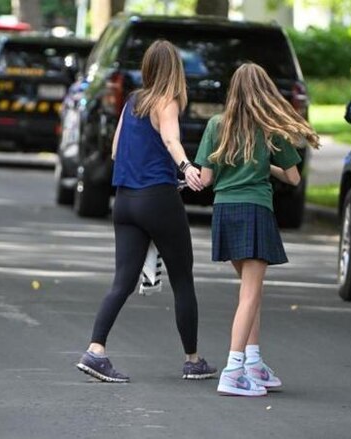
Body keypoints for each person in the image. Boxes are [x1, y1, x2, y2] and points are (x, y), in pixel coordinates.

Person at [75, 40, 216, 383]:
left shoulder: (132, 102)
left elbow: (115, 150)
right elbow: (170, 139)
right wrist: (185, 168)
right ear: (176, 70)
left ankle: (95, 351)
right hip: (158, 200)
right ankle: (193, 360)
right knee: (182, 279)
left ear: (148, 68)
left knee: (122, 281)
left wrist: (152, 168)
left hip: (125, 201)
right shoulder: (167, 101)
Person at [194, 63, 319, 397]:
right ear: (264, 92)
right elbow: (293, 177)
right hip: (255, 210)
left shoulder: (216, 124)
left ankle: (253, 363)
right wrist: (266, 166)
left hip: (224, 210)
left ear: (233, 90)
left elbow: (206, 178)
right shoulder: (269, 128)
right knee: (250, 295)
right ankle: (233, 371)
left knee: (252, 293)